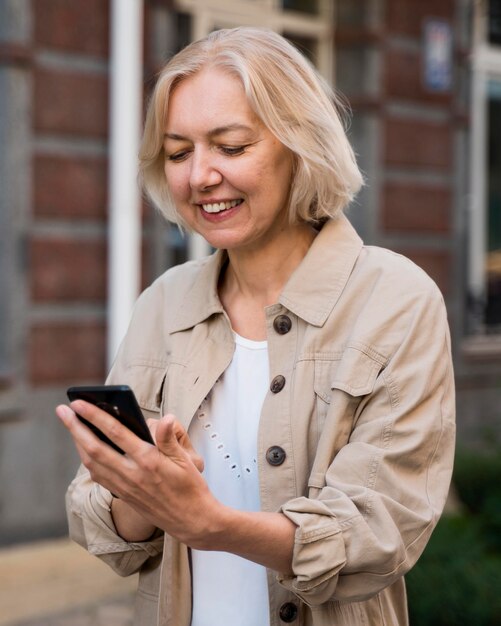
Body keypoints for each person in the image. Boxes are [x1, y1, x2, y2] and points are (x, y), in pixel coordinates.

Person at [56, 26, 455, 626]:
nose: (200, 177)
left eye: (232, 146)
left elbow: (380, 532)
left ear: (301, 145)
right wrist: (146, 495)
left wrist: (208, 524)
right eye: (178, 152)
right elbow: (100, 523)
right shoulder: (165, 303)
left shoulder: (394, 300)